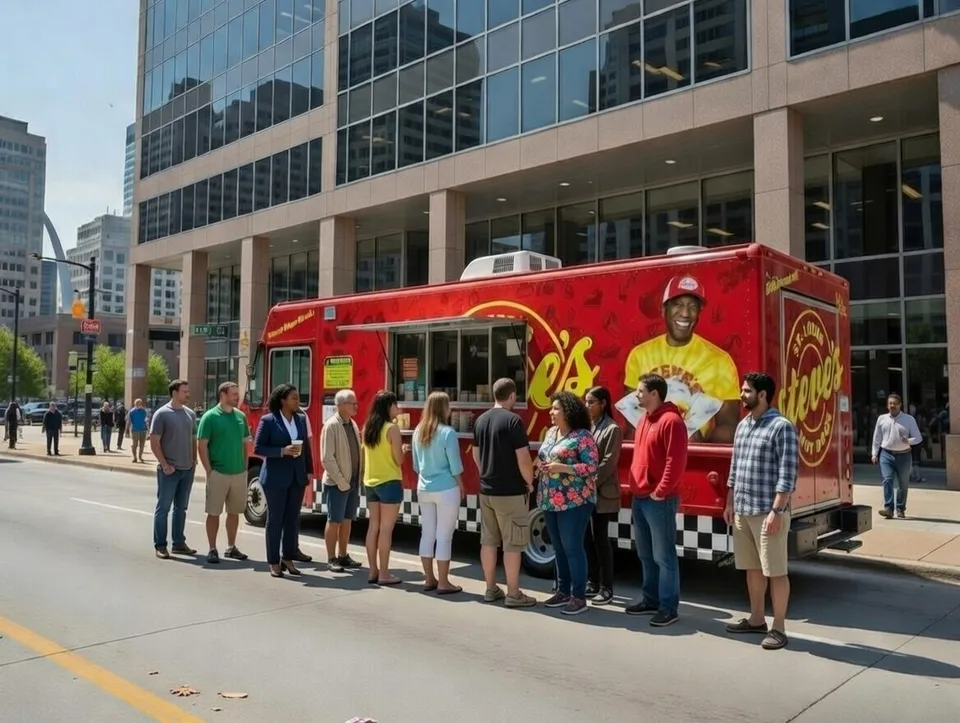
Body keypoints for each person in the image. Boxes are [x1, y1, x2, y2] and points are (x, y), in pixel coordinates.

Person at [723, 372, 799, 651]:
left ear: (763, 395)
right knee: (752, 569)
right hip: (743, 510)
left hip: (768, 512)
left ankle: (778, 628)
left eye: (746, 391)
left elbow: (787, 474)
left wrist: (777, 511)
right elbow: (735, 467)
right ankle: (757, 619)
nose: (741, 395)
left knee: (776, 571)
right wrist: (730, 502)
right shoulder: (743, 425)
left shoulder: (782, 427)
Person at [620, 275, 740, 442]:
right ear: (664, 310)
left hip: (694, 452)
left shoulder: (720, 361)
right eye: (678, 305)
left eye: (692, 306)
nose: (685, 313)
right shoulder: (640, 355)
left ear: (699, 313)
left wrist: (699, 447)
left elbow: (728, 427)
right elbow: (631, 424)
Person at [627, 373, 688, 627]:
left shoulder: (671, 421)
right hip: (640, 497)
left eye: (641, 391)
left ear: (654, 393)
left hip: (659, 500)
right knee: (646, 554)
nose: (636, 394)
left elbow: (676, 462)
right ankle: (650, 600)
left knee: (664, 556)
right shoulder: (643, 419)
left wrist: (661, 491)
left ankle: (668, 608)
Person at [473, 378, 537, 608]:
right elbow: (524, 458)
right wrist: (529, 482)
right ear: (511, 396)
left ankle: (490, 588)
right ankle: (513, 593)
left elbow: (476, 455)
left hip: (487, 490)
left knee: (489, 541)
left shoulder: (481, 420)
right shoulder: (513, 421)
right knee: (512, 544)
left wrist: (485, 474)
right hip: (510, 492)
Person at [537, 392, 599, 616]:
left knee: (572, 547)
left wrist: (563, 468)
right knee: (559, 547)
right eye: (552, 408)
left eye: (556, 409)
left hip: (575, 500)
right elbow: (544, 456)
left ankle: (579, 596)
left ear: (568, 412)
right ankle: (563, 591)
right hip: (549, 499)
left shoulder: (583, 436)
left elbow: (592, 467)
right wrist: (540, 465)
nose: (551, 412)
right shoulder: (551, 433)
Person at [253, 384, 313, 578]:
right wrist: (281, 451)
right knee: (275, 519)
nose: (297, 401)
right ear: (283, 400)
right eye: (294, 397)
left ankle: (288, 557)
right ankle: (273, 561)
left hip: (297, 476)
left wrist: (309, 470)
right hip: (275, 477)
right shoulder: (269, 420)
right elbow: (258, 447)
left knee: (292, 519)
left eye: (298, 397)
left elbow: (306, 447)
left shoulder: (301, 419)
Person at [412, 391, 465, 595]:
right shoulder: (448, 433)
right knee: (444, 537)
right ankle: (443, 582)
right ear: (444, 408)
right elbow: (455, 466)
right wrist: (461, 485)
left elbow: (416, 465)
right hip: (446, 489)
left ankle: (429, 579)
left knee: (427, 534)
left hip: (424, 488)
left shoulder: (418, 431)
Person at [197, 381, 251, 564]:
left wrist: (245, 466)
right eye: (234, 394)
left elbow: (245, 443)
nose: (237, 397)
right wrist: (209, 470)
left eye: (238, 393)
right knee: (214, 512)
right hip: (218, 473)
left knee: (234, 512)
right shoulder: (209, 417)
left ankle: (231, 547)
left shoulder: (241, 416)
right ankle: (212, 548)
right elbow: (202, 445)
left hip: (238, 473)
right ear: (223, 395)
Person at [150, 380, 199, 559]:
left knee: (181, 508)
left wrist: (194, 461)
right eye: (185, 391)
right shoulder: (162, 414)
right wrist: (165, 465)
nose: (188, 394)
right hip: (169, 471)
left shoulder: (190, 414)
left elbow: (193, 439)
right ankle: (160, 545)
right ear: (174, 393)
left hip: (187, 469)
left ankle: (178, 543)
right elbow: (154, 442)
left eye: (188, 391)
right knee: (163, 508)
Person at [584, 386, 623, 605]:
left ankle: (606, 587)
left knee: (601, 539)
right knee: (585, 538)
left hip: (602, 493)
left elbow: (609, 462)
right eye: (586, 402)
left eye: (591, 402)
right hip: (585, 492)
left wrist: (590, 482)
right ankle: (592, 581)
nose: (587, 406)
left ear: (603, 403)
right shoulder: (587, 426)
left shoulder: (612, 429)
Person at [362, 390, 405, 586]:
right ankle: (385, 574)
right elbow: (398, 459)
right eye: (395, 405)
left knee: (374, 527)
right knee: (386, 530)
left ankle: (373, 571)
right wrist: (403, 450)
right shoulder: (392, 428)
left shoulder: (368, 427)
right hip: (389, 481)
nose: (398, 408)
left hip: (370, 482)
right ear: (389, 407)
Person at [320, 389, 364, 573]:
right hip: (337, 483)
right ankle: (331, 558)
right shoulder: (331, 426)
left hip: (351, 481)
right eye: (353, 403)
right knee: (334, 520)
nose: (356, 406)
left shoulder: (352, 423)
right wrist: (341, 481)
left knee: (347, 520)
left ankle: (343, 555)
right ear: (341, 405)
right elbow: (327, 459)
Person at [872, 393, 922, 519]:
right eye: (890, 403)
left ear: (900, 405)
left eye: (895, 403)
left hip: (904, 455)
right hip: (886, 454)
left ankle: (900, 508)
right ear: (887, 405)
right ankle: (888, 508)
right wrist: (874, 453)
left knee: (903, 484)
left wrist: (908, 441)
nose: (892, 406)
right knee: (887, 479)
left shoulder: (909, 419)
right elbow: (877, 437)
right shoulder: (882, 419)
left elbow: (918, 438)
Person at [128, 399, 149, 463]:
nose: (139, 405)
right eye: (137, 403)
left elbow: (147, 420)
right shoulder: (131, 411)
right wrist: (127, 430)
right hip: (135, 430)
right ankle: (135, 457)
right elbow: (128, 421)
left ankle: (140, 457)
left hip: (143, 430)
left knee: (142, 445)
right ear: (135, 404)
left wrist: (148, 430)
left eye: (140, 403)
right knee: (135, 444)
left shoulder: (144, 411)